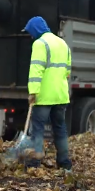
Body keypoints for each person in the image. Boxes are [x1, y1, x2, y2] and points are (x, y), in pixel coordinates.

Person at [21, 16, 73, 173]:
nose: (30, 36)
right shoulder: (63, 43)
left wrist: (33, 92)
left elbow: (36, 70)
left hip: (44, 96)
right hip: (61, 95)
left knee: (37, 129)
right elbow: (67, 72)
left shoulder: (40, 44)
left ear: (35, 30)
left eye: (30, 32)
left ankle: (34, 164)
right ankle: (64, 164)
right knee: (60, 128)